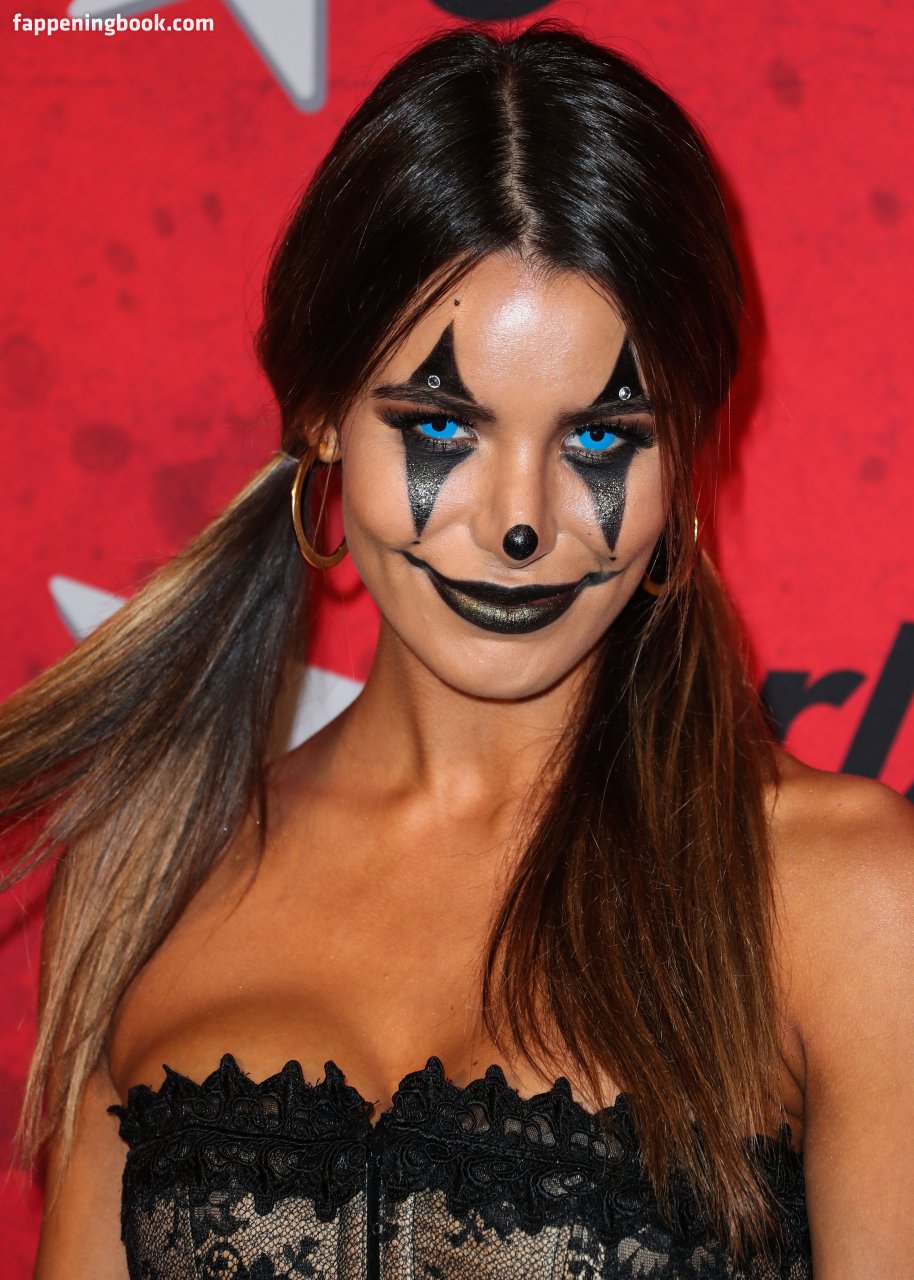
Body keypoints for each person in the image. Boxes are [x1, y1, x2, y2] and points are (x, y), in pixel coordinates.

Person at [2, 19, 912, 1280]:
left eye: (598, 439)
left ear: (683, 455)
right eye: (441, 424)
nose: (517, 518)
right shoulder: (154, 863)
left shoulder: (843, 896)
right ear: (322, 416)